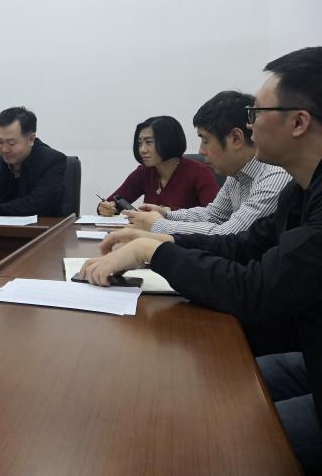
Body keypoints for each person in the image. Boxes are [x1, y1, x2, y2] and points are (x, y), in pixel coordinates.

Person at [78, 47, 322, 473]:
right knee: (203, 390)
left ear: (298, 122)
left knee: (221, 438)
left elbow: (256, 289)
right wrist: (159, 241)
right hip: (309, 359)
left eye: (257, 112)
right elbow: (243, 244)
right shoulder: (301, 189)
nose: (250, 124)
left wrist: (155, 249)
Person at [125, 91, 291, 235]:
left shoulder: (274, 177)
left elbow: (229, 234)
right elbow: (214, 215)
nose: (201, 151)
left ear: (236, 138)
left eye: (205, 140)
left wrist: (159, 225)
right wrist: (166, 215)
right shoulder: (237, 174)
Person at [97, 115, 219, 216]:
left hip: (186, 237)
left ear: (169, 141)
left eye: (149, 142)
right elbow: (115, 201)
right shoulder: (145, 172)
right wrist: (105, 208)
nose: (142, 150)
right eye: (140, 143)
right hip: (148, 235)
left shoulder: (200, 173)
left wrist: (168, 212)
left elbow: (214, 216)